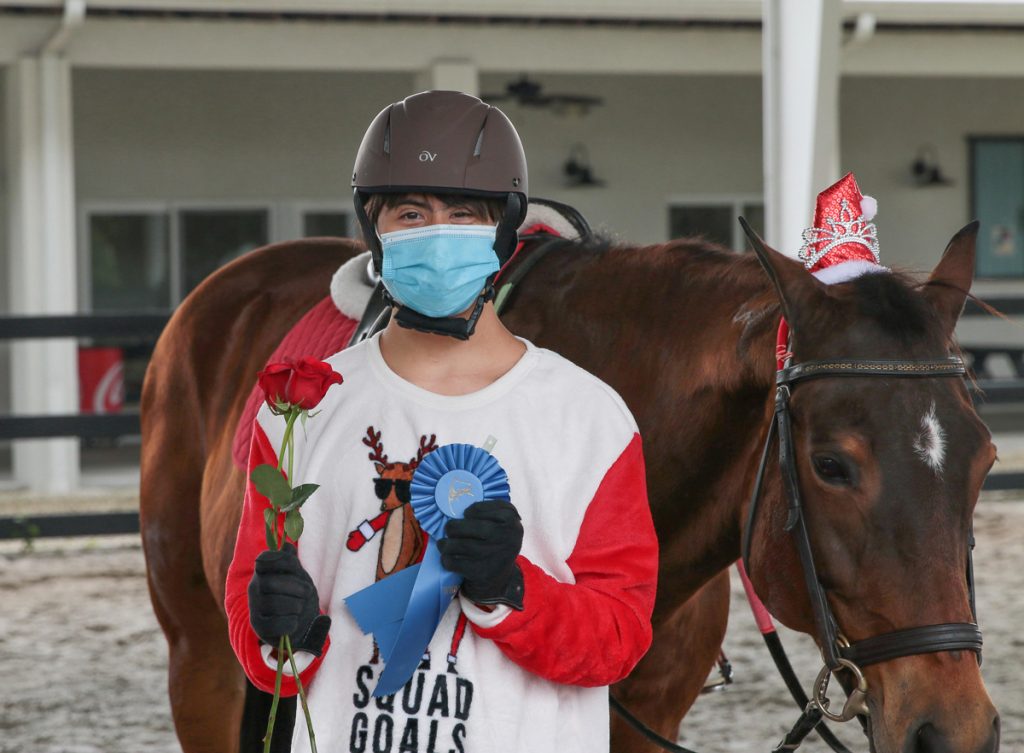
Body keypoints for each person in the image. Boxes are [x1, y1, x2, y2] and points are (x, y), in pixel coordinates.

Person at [225, 90, 659, 753]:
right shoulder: (302, 408)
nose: (435, 233)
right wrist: (280, 632)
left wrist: (509, 587)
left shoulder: (590, 419)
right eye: (410, 213)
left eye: (462, 213)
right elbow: (262, 642)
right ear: (374, 230)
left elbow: (619, 640)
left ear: (503, 232)